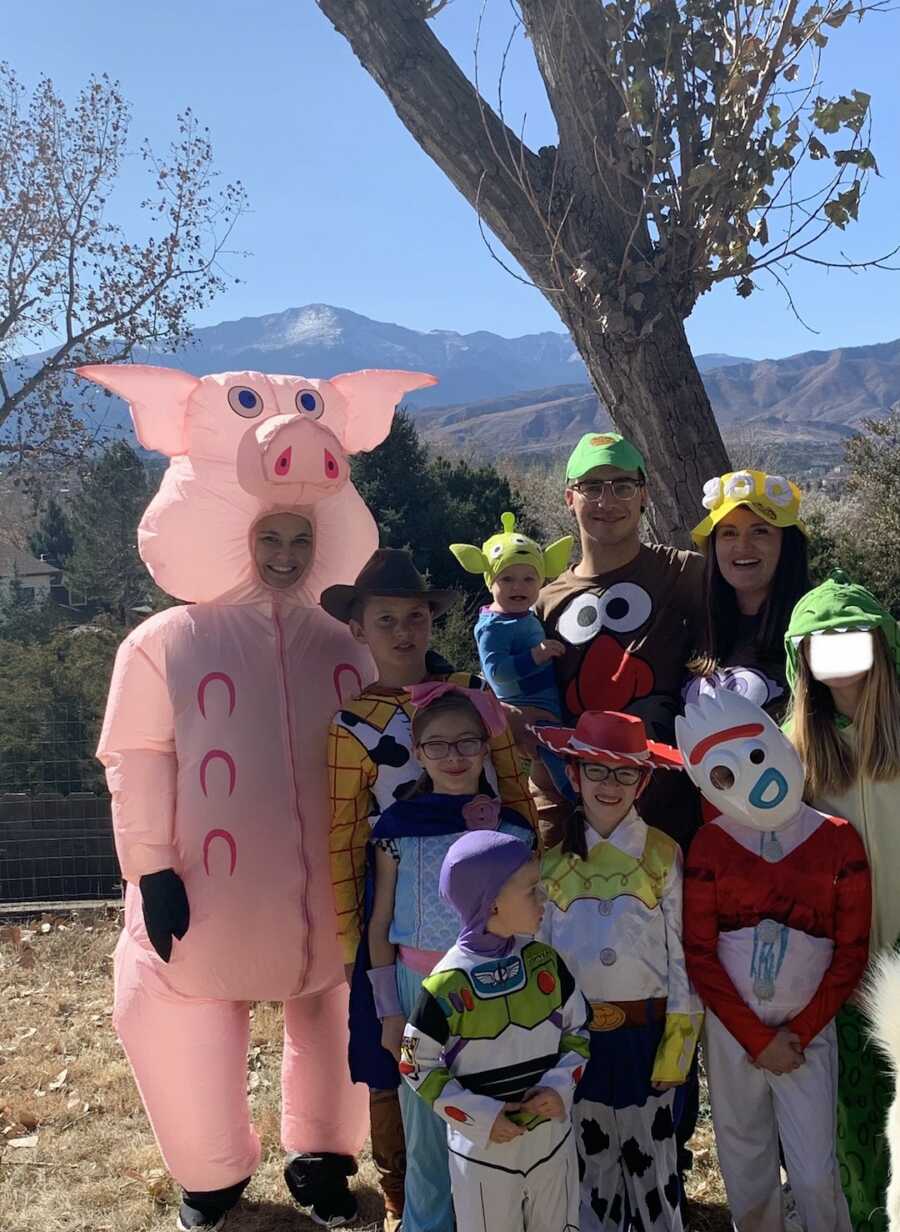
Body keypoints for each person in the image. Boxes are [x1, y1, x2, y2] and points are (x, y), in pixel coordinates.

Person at [86, 360, 437, 1231]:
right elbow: (137, 756)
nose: (284, 558)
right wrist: (151, 868)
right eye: (270, 540)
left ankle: (323, 1150)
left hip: (332, 884)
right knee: (190, 1005)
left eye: (299, 543)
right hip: (209, 886)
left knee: (330, 1004)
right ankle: (208, 1170)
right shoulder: (163, 643)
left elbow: (387, 744)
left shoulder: (343, 643)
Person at [322, 549, 538, 1231]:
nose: (404, 632)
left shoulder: (472, 696)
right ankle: (407, 1199)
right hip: (400, 908)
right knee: (397, 1060)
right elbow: (341, 833)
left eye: (415, 617)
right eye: (386, 619)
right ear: (359, 628)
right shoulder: (350, 725)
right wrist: (353, 937)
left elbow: (514, 789)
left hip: (487, 901)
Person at [678, 688, 871, 1232]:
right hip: (735, 1033)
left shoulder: (837, 841)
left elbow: (851, 951)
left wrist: (801, 1033)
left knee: (813, 1172)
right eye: (721, 775)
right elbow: (700, 951)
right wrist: (756, 1038)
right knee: (745, 1162)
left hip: (807, 1034)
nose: (750, 779)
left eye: (756, 755)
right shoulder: (709, 845)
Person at [367, 685, 535, 1232]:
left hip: (494, 992)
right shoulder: (396, 829)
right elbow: (379, 925)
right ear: (418, 754)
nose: (454, 755)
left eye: (467, 742)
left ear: (486, 748)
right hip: (420, 990)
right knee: (428, 1123)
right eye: (437, 746)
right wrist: (391, 1011)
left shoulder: (511, 829)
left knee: (491, 1116)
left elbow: (528, 921)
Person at [535, 710, 701, 1232]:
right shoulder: (551, 866)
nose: (610, 785)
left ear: (644, 780)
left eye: (624, 772)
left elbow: (684, 961)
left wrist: (676, 1049)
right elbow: (544, 969)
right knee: (589, 1164)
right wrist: (549, 1049)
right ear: (574, 775)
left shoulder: (662, 857)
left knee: (653, 1163)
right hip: (579, 1043)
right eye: (596, 770)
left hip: (646, 1040)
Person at [400, 828, 590, 1232]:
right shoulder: (446, 985)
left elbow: (579, 1031)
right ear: (491, 905)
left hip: (551, 1143)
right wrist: (480, 1118)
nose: (544, 898)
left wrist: (560, 1088)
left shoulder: (546, 964)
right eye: (531, 890)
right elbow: (416, 1066)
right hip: (484, 1156)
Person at [785, 573, 900, 1231]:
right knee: (854, 1120)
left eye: (852, 634)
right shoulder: (789, 748)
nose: (838, 650)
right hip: (839, 968)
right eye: (822, 639)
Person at [533, 431, 704, 851]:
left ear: (643, 495)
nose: (607, 502)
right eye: (591, 487)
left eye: (623, 486)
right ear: (569, 498)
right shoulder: (542, 602)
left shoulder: (683, 573)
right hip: (576, 832)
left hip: (671, 824)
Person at [450, 510, 573, 793]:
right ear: (490, 581)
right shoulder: (493, 627)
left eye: (529, 579)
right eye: (507, 579)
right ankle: (575, 800)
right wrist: (536, 655)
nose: (519, 586)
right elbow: (497, 672)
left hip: (547, 707)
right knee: (559, 761)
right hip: (532, 713)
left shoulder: (521, 615)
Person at [686, 469, 810, 721]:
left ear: (787, 545)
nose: (743, 546)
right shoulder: (694, 622)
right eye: (729, 533)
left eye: (760, 531)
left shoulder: (813, 630)